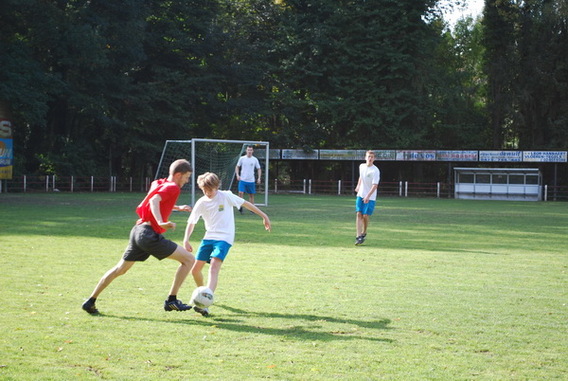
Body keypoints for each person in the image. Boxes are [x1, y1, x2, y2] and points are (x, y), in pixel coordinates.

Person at [82, 159, 196, 314]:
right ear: (178, 175)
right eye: (186, 176)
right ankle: (171, 300)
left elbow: (155, 199)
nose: (187, 180)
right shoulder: (173, 187)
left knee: (120, 269)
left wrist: (178, 208)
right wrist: (161, 222)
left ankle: (90, 301)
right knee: (189, 259)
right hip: (149, 235)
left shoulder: (159, 183)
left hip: (137, 231)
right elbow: (155, 200)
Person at [183, 172, 271, 316]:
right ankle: (204, 295)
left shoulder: (226, 196)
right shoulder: (201, 202)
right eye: (204, 190)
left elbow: (247, 204)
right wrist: (186, 239)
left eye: (210, 190)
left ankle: (205, 302)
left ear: (217, 186)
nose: (207, 193)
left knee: (214, 266)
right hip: (208, 237)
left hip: (224, 238)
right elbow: (191, 222)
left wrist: (264, 216)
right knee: (195, 270)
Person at [354, 150, 380, 245]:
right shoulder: (361, 166)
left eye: (372, 157)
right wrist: (358, 185)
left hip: (371, 196)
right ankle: (358, 236)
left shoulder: (375, 170)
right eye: (368, 156)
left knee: (365, 215)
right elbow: (361, 177)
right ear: (365, 157)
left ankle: (364, 232)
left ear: (374, 159)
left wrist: (368, 196)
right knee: (358, 214)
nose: (370, 158)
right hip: (360, 194)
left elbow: (375, 185)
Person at [235, 145, 261, 213]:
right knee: (240, 193)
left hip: (251, 180)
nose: (249, 151)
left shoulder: (255, 159)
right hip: (242, 179)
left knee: (251, 195)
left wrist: (259, 178)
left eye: (251, 150)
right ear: (246, 151)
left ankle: (252, 209)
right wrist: (237, 175)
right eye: (248, 150)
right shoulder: (242, 158)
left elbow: (259, 169)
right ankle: (240, 207)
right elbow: (237, 167)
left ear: (252, 151)